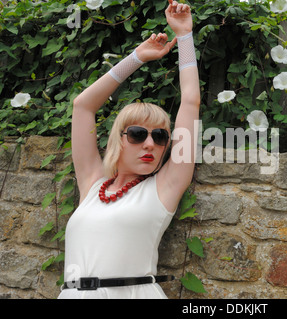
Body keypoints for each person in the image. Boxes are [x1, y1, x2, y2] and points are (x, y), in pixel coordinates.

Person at [58, 0, 199, 299]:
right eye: (137, 134)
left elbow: (190, 101)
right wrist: (137, 57)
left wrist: (184, 36)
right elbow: (83, 106)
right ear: (118, 139)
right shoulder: (92, 183)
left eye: (160, 136)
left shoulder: (165, 187)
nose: (150, 143)